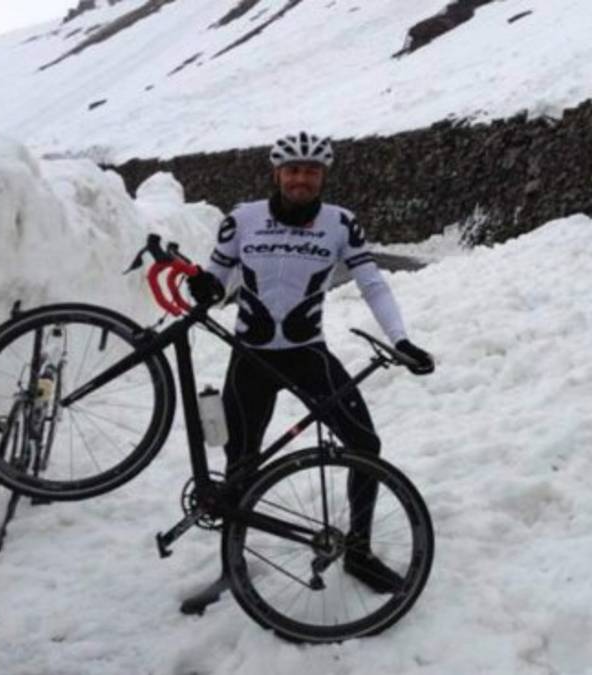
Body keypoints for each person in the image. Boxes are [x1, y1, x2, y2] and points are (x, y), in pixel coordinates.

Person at [179, 131, 435, 615]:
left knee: (364, 446)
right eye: (293, 170)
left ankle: (358, 552)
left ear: (322, 176)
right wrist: (203, 287)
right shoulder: (242, 220)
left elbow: (373, 283)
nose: (301, 179)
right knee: (239, 464)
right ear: (277, 174)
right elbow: (216, 279)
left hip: (307, 354)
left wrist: (401, 339)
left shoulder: (341, 223)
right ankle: (231, 566)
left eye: (311, 171)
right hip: (251, 358)